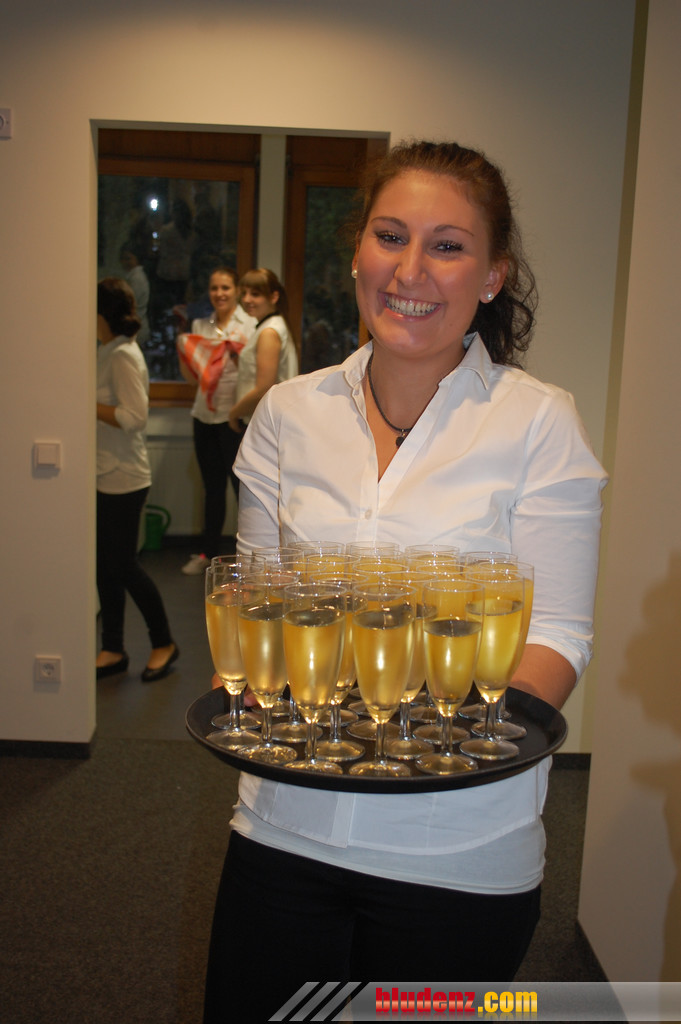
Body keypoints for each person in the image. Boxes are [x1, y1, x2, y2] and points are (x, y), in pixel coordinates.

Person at [203, 141, 607, 1019]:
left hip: (454, 853)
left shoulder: (539, 424)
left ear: (492, 276)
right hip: (284, 825)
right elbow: (258, 600)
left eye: (447, 246)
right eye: (390, 236)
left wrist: (434, 753)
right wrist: (252, 688)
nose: (410, 270)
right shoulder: (288, 414)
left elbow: (556, 637)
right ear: (357, 252)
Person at [96, 277, 179, 682]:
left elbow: (134, 417)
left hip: (124, 477)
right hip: (103, 473)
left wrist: (82, 403)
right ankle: (112, 647)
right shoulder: (107, 351)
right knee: (104, 566)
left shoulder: (123, 355)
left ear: (101, 313)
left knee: (123, 565)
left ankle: (163, 642)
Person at [178, 267, 257, 575]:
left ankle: (249, 559)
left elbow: (255, 373)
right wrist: (185, 354)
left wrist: (234, 354)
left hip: (235, 418)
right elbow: (193, 378)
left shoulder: (250, 324)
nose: (219, 294)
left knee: (243, 490)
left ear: (236, 290)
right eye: (214, 288)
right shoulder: (200, 326)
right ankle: (207, 554)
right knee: (211, 489)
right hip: (204, 415)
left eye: (225, 287)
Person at [227, 267, 299, 432]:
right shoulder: (271, 325)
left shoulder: (268, 332)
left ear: (273, 297)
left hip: (264, 422)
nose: (247, 299)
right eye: (244, 293)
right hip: (267, 420)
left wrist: (233, 413)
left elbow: (263, 388)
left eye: (255, 294)